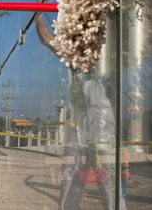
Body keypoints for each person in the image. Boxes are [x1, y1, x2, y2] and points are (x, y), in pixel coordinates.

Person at [34, 14, 125, 210]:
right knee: (70, 172)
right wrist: (37, 14)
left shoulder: (105, 55)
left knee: (107, 175)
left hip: (101, 123)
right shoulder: (72, 54)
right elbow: (46, 39)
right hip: (79, 122)